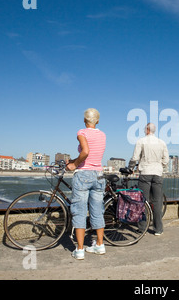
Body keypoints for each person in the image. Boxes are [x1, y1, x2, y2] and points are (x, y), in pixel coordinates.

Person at [66, 108, 106, 260]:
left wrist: (74, 164)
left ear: (84, 120)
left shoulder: (81, 132)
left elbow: (86, 151)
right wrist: (75, 160)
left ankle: (80, 249)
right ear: (97, 120)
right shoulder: (102, 135)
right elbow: (94, 154)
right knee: (97, 210)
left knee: (79, 211)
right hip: (99, 175)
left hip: (83, 175)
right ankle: (100, 245)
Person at [128, 123, 169, 235]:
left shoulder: (141, 141)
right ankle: (158, 229)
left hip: (145, 172)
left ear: (147, 130)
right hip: (158, 173)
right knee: (157, 202)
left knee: (142, 201)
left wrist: (130, 168)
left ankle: (142, 228)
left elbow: (135, 157)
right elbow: (166, 160)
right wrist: (160, 166)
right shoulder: (162, 142)